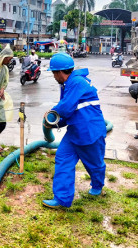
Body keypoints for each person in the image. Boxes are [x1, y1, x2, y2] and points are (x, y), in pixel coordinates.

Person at [42, 53, 107, 209]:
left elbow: (64, 108)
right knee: (63, 159)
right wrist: (56, 123)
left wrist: (50, 117)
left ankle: (97, 185)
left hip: (90, 131)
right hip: (75, 130)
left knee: (94, 163)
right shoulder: (69, 84)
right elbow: (68, 110)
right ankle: (62, 199)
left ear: (59, 72)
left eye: (53, 73)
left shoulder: (77, 82)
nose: (53, 76)